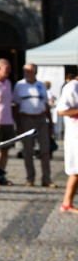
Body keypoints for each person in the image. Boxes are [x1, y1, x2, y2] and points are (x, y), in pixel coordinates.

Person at [14, 63, 56, 187]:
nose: (26, 73)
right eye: (25, 71)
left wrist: (50, 123)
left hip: (41, 120)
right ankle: (30, 178)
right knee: (28, 151)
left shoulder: (41, 85)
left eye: (29, 71)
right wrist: (19, 125)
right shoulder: (19, 85)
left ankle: (46, 178)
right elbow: (16, 106)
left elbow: (46, 105)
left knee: (45, 151)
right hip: (26, 120)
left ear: (35, 72)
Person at [55, 73, 78, 214]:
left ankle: (67, 203)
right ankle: (66, 203)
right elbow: (61, 110)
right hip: (75, 136)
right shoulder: (72, 87)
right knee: (75, 172)